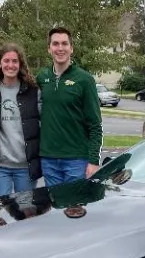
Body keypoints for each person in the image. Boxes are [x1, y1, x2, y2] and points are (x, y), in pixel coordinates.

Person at [37, 27, 103, 186]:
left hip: (77, 161)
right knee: (55, 208)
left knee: (76, 208)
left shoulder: (84, 80)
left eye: (64, 44)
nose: (60, 48)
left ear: (71, 48)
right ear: (49, 48)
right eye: (55, 44)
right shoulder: (42, 78)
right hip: (49, 160)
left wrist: (94, 161)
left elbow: (95, 124)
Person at [0, 43, 42, 197]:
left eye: (15, 61)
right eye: (6, 61)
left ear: (21, 64)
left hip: (26, 166)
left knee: (25, 214)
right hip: (0, 167)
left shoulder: (33, 91)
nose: (10, 65)